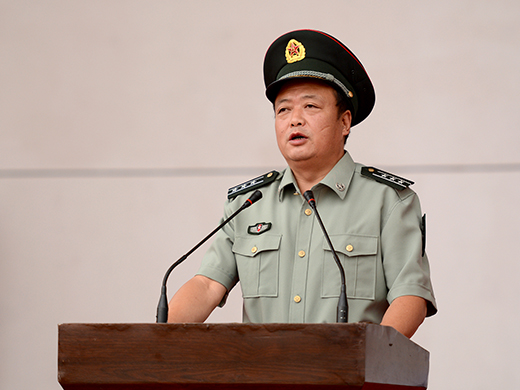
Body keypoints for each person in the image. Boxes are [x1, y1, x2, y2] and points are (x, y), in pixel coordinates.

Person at [168, 29, 437, 338]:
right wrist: (157, 340)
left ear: (344, 121)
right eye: (283, 109)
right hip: (262, 368)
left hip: (347, 368)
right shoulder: (249, 204)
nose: (295, 119)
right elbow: (206, 285)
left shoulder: (388, 201)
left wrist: (372, 359)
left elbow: (410, 297)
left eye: (310, 106)